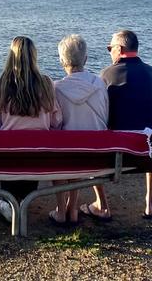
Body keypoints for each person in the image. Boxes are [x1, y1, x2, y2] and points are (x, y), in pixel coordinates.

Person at [0, 36, 62, 222]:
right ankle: (20, 202)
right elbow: (56, 122)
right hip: (38, 156)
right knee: (30, 158)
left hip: (8, 156)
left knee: (8, 149)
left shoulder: (0, 85)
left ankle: (9, 203)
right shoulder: (46, 83)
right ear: (34, 56)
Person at [101, 29, 152, 218]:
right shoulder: (151, 73)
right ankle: (150, 203)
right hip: (147, 154)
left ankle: (102, 205)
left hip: (113, 156)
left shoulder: (106, 74)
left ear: (119, 49)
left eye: (109, 48)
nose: (109, 52)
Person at [51, 34, 110, 226]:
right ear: (85, 59)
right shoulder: (100, 85)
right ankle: (73, 208)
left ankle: (63, 210)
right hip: (98, 156)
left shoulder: (56, 89)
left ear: (61, 61)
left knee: (64, 145)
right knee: (78, 141)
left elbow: (56, 123)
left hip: (67, 156)